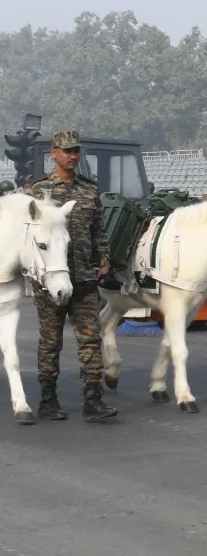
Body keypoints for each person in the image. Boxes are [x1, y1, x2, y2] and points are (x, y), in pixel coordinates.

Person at [25, 130, 118, 421]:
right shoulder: (37, 192)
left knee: (91, 339)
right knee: (51, 341)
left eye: (76, 150)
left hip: (84, 277)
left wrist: (103, 259)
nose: (73, 155)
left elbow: (98, 231)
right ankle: (48, 400)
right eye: (66, 151)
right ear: (53, 153)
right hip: (51, 280)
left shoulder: (89, 190)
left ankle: (93, 400)